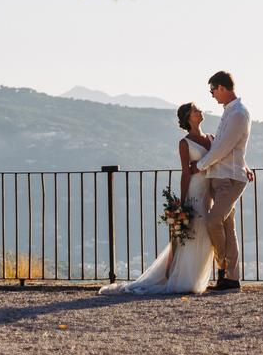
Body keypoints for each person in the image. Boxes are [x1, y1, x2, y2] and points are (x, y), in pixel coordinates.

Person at [99, 102, 216, 295]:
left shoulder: (211, 138)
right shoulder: (184, 143)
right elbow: (185, 173)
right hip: (195, 192)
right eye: (196, 110)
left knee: (205, 235)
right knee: (193, 234)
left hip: (208, 192)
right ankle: (185, 279)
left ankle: (196, 278)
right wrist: (182, 201)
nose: (200, 111)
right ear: (189, 117)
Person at [187, 70, 251, 291]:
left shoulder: (238, 114)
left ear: (222, 88)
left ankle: (224, 269)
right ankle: (230, 278)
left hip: (229, 178)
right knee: (226, 225)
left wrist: (200, 165)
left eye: (213, 90)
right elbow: (229, 145)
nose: (212, 95)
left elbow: (223, 148)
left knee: (214, 220)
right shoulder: (230, 113)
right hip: (221, 176)